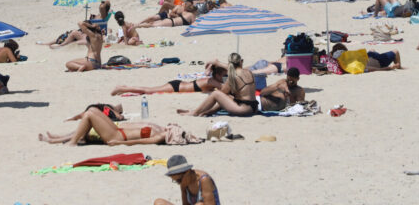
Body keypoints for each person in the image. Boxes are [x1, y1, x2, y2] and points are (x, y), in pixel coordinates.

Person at [177, 53, 258, 116]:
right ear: (241, 61)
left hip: (243, 110)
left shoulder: (233, 76)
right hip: (254, 107)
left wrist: (220, 85)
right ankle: (207, 111)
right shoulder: (249, 72)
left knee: (216, 94)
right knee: (227, 97)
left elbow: (223, 92)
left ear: (229, 64)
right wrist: (217, 63)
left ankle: (194, 113)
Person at [38, 109, 166, 146]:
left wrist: (118, 143)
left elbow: (144, 141)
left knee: (89, 116)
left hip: (117, 136)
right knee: (92, 110)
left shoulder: (160, 135)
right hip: (118, 130)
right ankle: (59, 139)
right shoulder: (159, 128)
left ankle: (72, 142)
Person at [111, 66, 226, 95]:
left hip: (178, 85)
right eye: (223, 76)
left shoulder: (211, 80)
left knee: (149, 90)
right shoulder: (213, 81)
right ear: (218, 74)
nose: (223, 78)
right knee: (149, 90)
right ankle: (122, 88)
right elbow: (226, 89)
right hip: (175, 87)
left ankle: (125, 88)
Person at [154, 155, 221, 205]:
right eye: (176, 181)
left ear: (187, 172)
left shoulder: (204, 180)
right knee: (159, 202)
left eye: (179, 180)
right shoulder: (184, 183)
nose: (179, 183)